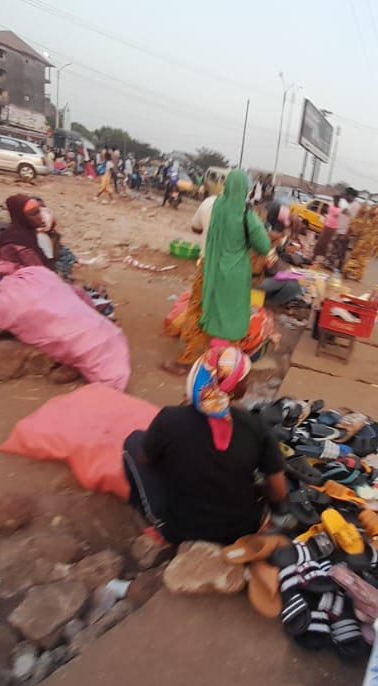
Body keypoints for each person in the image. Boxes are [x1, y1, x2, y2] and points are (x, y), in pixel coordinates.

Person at [124, 345, 287, 544]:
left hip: (180, 531)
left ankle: (144, 516)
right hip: (241, 530)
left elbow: (146, 459)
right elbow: (279, 493)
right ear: (237, 389)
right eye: (245, 380)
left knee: (134, 441)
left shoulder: (170, 418)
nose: (247, 383)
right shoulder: (256, 426)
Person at [164, 170, 275, 373]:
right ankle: (226, 365)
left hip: (208, 269)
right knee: (231, 317)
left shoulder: (211, 206)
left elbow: (196, 228)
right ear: (246, 191)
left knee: (199, 311)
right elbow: (264, 246)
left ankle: (190, 358)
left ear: (226, 186)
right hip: (235, 277)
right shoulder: (247, 216)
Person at [313, 196, 343, 265]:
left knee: (328, 243)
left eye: (336, 200)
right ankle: (314, 255)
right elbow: (328, 214)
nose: (334, 201)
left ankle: (325, 259)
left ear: (338, 201)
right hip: (327, 226)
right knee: (320, 241)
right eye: (334, 200)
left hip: (333, 228)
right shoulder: (331, 207)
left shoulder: (340, 210)